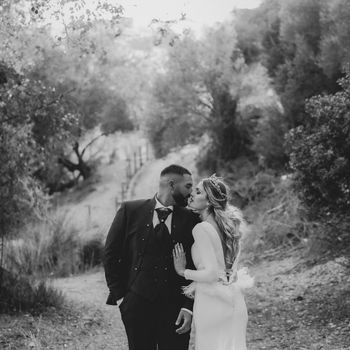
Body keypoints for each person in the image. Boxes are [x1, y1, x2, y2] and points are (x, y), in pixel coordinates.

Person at [104, 164, 200, 350]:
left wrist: (189, 306)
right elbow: (110, 255)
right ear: (172, 184)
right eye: (188, 186)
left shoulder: (192, 218)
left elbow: (197, 266)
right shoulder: (130, 211)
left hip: (176, 309)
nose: (191, 193)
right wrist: (121, 298)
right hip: (136, 307)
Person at [173, 174, 253, 350]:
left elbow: (210, 274)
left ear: (209, 201)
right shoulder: (230, 227)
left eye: (198, 192)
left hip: (212, 303)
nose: (192, 194)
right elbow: (227, 271)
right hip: (234, 301)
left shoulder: (201, 229)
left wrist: (182, 271)